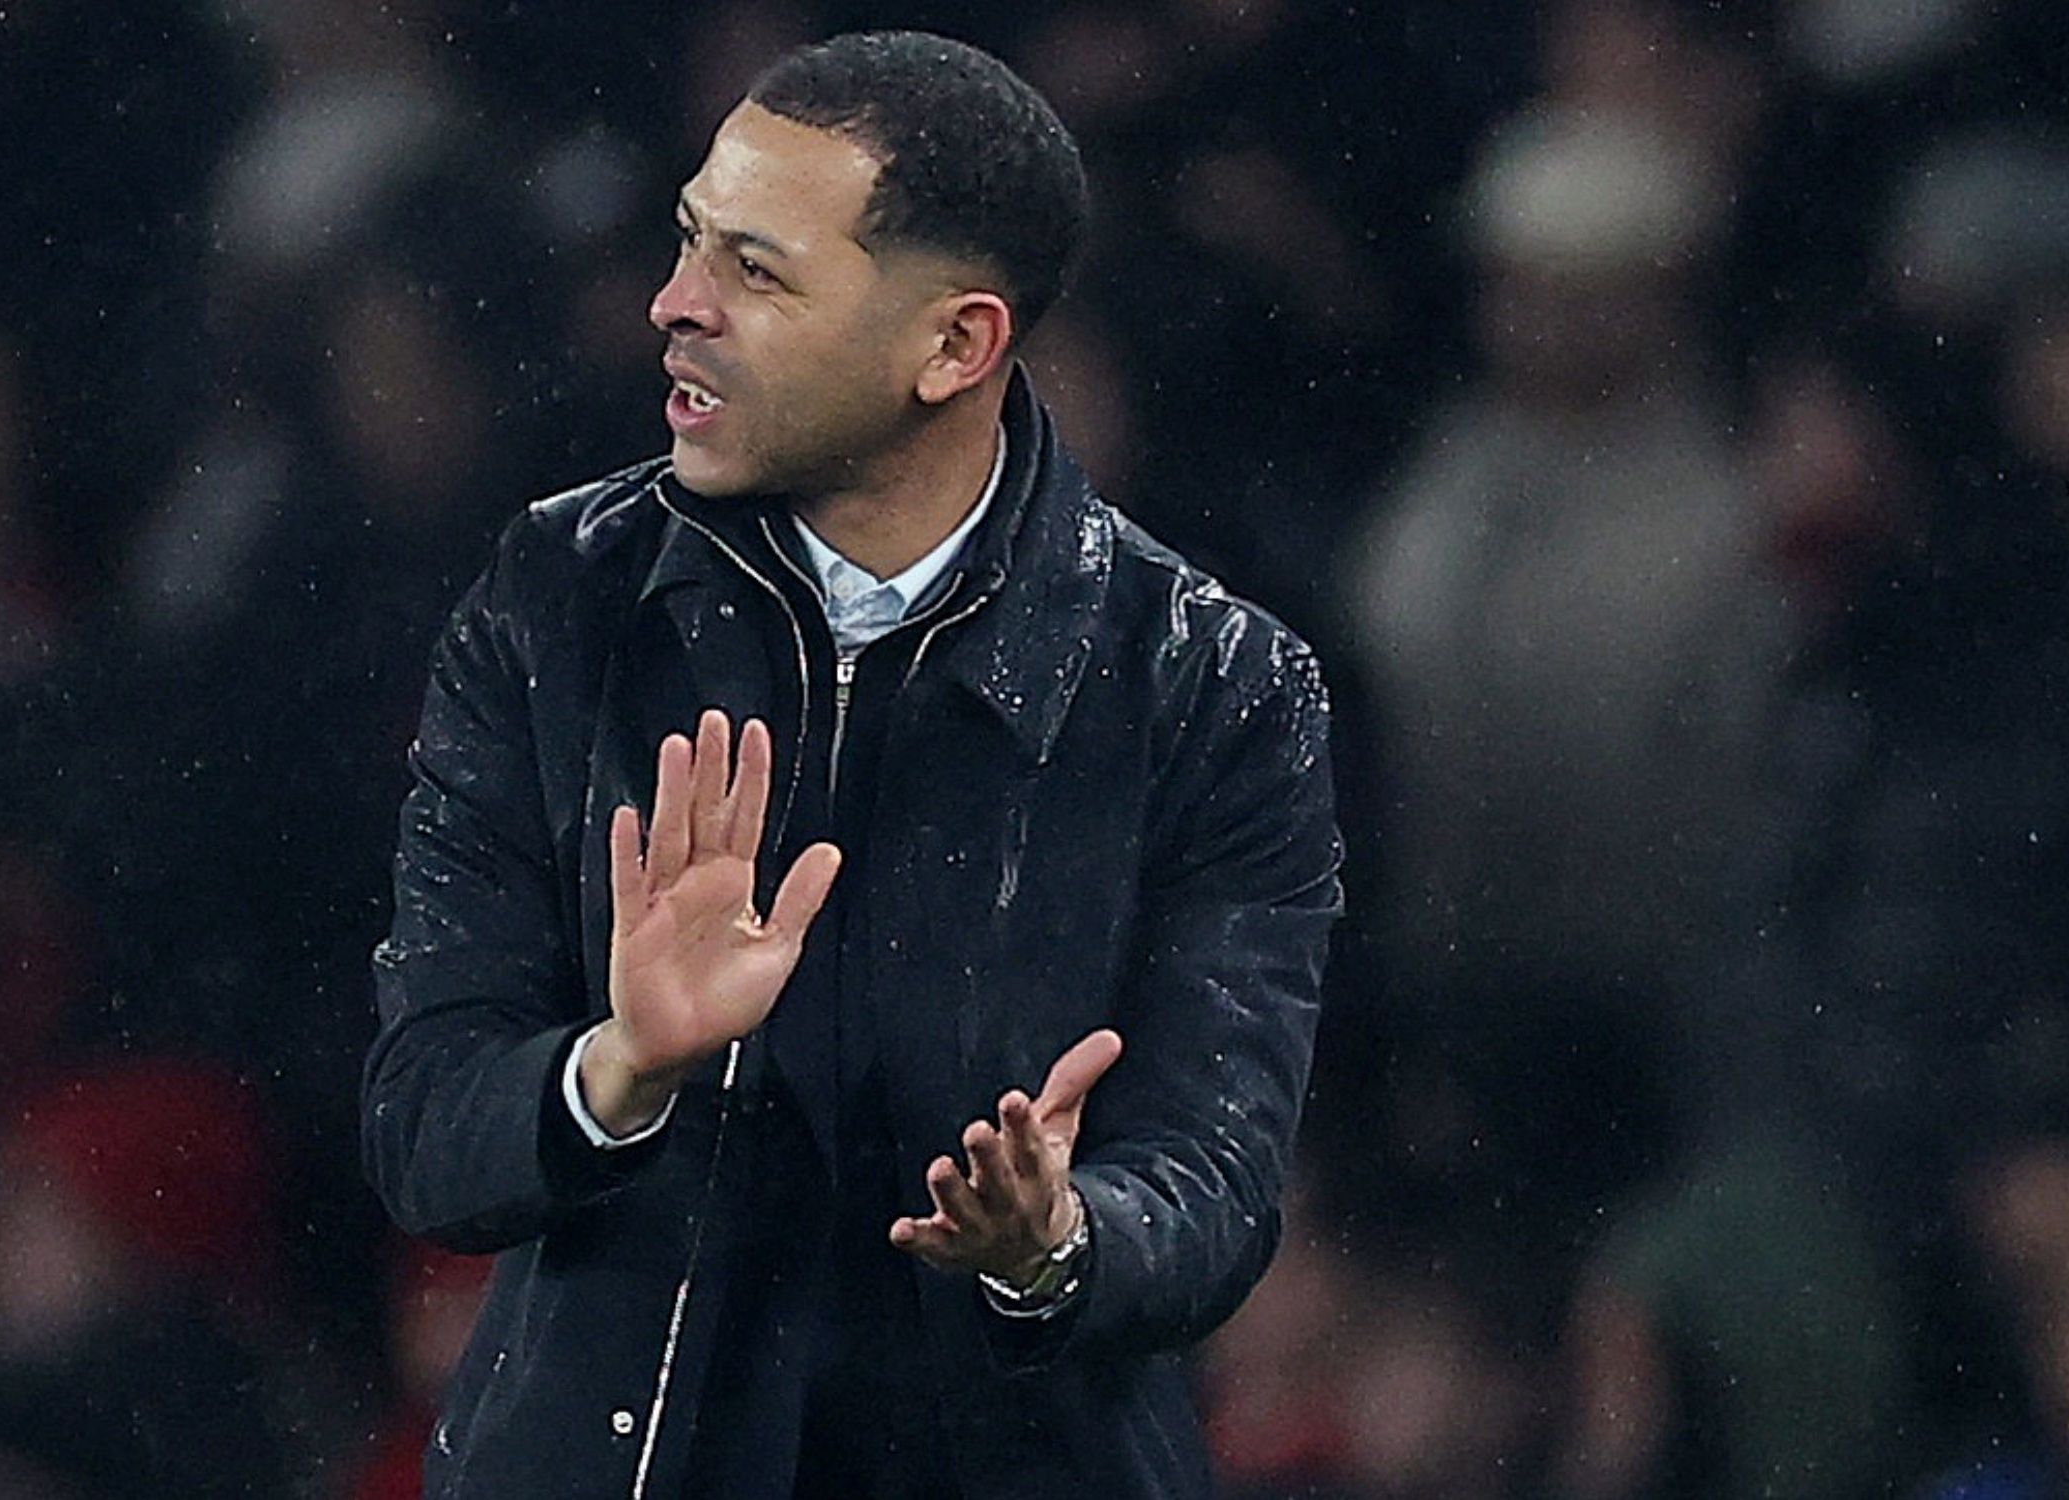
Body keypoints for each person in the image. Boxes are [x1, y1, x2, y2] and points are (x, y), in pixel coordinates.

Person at [360, 30, 1341, 1500]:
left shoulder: (1214, 689)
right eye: (690, 242)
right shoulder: (555, 598)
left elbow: (1215, 1181)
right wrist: (617, 1073)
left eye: (755, 272)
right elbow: (425, 1125)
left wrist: (1056, 1244)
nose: (672, 306)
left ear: (956, 346)